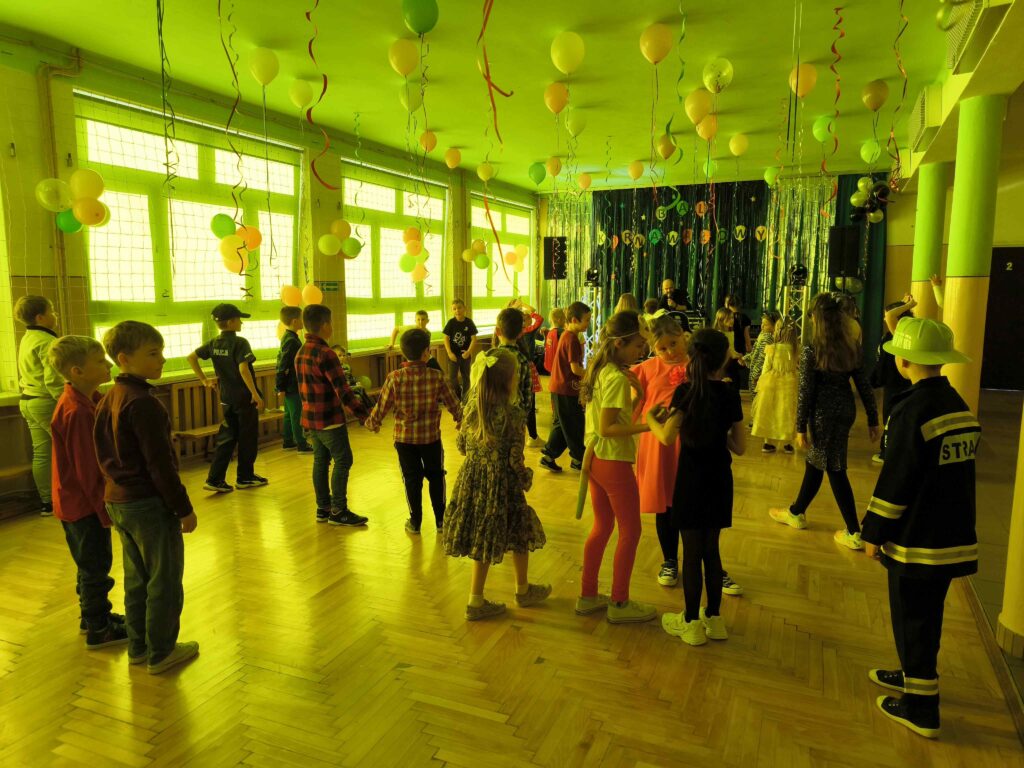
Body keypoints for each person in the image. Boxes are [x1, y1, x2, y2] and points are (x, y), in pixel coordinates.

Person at [860, 316, 976, 739]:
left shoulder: (910, 411)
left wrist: (873, 532)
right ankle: (913, 675)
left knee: (912, 618)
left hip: (916, 539)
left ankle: (921, 709)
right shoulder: (956, 404)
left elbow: (897, 480)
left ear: (904, 361)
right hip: (950, 535)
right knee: (926, 616)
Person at [93, 321, 199, 674]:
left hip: (118, 500)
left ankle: (139, 647)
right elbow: (160, 465)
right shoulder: (143, 403)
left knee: (137, 578)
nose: (162, 360)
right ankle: (162, 651)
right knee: (163, 580)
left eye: (161, 352)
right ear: (124, 358)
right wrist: (183, 508)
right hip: (147, 503)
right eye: (153, 354)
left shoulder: (109, 397)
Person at [647, 328, 746, 646]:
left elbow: (666, 437)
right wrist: (718, 433)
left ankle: (690, 623)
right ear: (723, 359)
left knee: (691, 554)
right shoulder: (730, 394)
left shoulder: (685, 392)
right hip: (720, 479)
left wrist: (650, 419)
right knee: (711, 550)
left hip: (690, 480)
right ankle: (714, 619)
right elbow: (740, 446)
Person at [441, 348, 549, 620]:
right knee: (519, 530)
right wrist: (525, 478)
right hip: (503, 485)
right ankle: (520, 590)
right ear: (509, 380)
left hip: (473, 481)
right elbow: (515, 459)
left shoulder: (471, 408)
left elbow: (462, 446)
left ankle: (477, 598)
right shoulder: (514, 414)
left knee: (484, 535)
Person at [769, 293, 880, 550]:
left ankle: (854, 531)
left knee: (834, 468)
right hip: (845, 411)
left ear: (816, 320)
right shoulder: (850, 346)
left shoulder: (812, 349)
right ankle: (797, 511)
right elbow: (864, 384)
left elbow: (805, 391)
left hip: (822, 414)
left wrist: (799, 427)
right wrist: (873, 419)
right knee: (818, 462)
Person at [576, 311, 656, 624]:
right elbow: (607, 428)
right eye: (638, 345)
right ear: (620, 343)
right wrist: (649, 426)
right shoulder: (615, 378)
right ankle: (619, 603)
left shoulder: (603, 371)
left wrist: (640, 397)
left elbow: (618, 420)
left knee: (603, 527)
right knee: (631, 531)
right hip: (612, 462)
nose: (642, 350)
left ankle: (587, 595)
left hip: (597, 459)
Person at [48, 335, 126, 649]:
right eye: (99, 361)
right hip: (82, 505)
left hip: (76, 502)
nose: (108, 365)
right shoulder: (77, 411)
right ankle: (99, 628)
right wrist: (106, 512)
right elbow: (88, 470)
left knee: (88, 563)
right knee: (95, 566)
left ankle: (93, 616)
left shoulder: (87, 399)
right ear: (77, 371)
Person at [365, 328, 462, 534]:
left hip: (404, 440)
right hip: (431, 439)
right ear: (427, 352)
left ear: (403, 352)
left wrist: (373, 423)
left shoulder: (394, 377)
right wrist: (460, 419)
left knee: (411, 479)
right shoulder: (437, 376)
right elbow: (453, 403)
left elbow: (381, 406)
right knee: (436, 476)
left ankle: (415, 522)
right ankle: (441, 521)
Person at [295, 305, 371, 526]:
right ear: (325, 325)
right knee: (343, 459)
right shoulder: (326, 353)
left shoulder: (301, 351)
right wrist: (364, 415)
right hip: (328, 418)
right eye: (331, 322)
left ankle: (323, 508)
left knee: (320, 460)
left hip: (310, 419)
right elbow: (343, 390)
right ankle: (338, 510)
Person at [187, 303, 267, 493]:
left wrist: (204, 380)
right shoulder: (240, 343)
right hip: (244, 397)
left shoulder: (214, 343)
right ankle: (245, 477)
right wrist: (255, 393)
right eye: (239, 319)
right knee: (247, 437)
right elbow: (243, 369)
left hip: (226, 397)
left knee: (227, 438)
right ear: (231, 322)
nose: (241, 323)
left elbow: (191, 357)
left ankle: (214, 479)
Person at [14, 295, 63, 515]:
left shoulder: (27, 338)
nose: (56, 315)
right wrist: (67, 401)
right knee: (71, 449)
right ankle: (74, 498)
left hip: (28, 401)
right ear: (40, 317)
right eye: (51, 311)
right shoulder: (47, 342)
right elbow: (53, 380)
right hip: (45, 402)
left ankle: (47, 503)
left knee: (42, 453)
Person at [541, 301, 591, 472]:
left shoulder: (567, 335)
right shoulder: (572, 339)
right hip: (565, 389)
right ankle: (578, 459)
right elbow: (575, 369)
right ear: (575, 320)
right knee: (575, 424)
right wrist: (592, 373)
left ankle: (548, 456)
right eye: (586, 320)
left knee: (563, 424)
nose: (588, 323)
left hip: (560, 388)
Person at [869, 297, 916, 464]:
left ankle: (888, 453)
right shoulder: (900, 333)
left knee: (892, 418)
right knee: (892, 417)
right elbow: (891, 316)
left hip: (897, 384)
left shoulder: (901, 334)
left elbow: (890, 317)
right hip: (895, 383)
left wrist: (908, 305)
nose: (884, 318)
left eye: (886, 315)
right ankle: (890, 451)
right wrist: (903, 305)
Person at [751, 319, 799, 454]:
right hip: (790, 382)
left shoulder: (772, 348)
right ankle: (788, 443)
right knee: (787, 412)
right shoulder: (796, 349)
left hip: (771, 382)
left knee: (769, 412)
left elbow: (766, 367)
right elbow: (796, 367)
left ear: (777, 331)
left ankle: (767, 442)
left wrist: (761, 381)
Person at [276, 306, 311, 453]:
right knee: (296, 415)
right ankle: (301, 444)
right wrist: (280, 386)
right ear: (295, 321)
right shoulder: (292, 341)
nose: (303, 321)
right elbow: (282, 365)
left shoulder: (288, 337)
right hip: (292, 384)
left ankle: (288, 441)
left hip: (288, 384)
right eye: (301, 318)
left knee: (289, 414)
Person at [494, 307, 534, 431]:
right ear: (521, 333)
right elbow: (528, 396)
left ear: (497, 331)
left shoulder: (489, 358)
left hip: (493, 421)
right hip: (516, 421)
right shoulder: (523, 360)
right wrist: (522, 418)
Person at [442, 298, 477, 400]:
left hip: (465, 355)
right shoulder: (451, 323)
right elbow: (446, 338)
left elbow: (474, 339)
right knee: (452, 378)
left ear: (464, 308)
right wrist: (449, 353)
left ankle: (465, 397)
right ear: (452, 310)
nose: (457, 310)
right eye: (454, 309)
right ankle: (457, 396)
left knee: (466, 377)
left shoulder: (469, 322)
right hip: (453, 355)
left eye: (459, 308)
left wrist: (469, 352)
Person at [331, 345, 374, 412]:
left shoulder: (346, 366)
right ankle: (366, 409)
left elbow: (351, 377)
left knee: (360, 388)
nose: (342, 357)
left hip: (350, 386)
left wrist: (356, 382)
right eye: (339, 355)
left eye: (344, 355)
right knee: (358, 390)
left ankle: (369, 407)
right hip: (342, 388)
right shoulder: (334, 368)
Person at [746, 311, 780, 394]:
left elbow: (762, 358)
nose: (762, 326)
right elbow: (755, 352)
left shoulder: (767, 338)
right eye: (762, 323)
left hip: (759, 374)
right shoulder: (763, 335)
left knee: (756, 396)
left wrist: (755, 375)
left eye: (766, 324)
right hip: (757, 371)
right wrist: (746, 358)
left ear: (774, 326)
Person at [542, 307, 565, 376]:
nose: (565, 321)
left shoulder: (550, 332)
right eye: (564, 319)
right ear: (559, 320)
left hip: (551, 364)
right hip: (559, 365)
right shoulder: (561, 332)